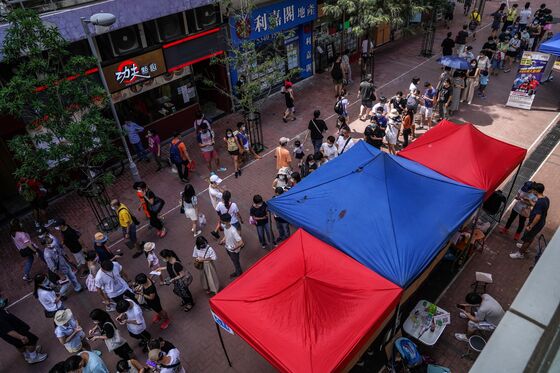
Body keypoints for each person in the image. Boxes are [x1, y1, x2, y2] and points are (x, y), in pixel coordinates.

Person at [511, 183, 549, 259]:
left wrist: (531, 226)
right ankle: (524, 247)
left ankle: (520, 253)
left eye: (533, 190)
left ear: (535, 191)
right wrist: (529, 200)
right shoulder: (545, 199)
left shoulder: (540, 202)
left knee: (528, 238)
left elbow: (538, 216)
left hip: (535, 224)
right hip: (540, 223)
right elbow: (536, 205)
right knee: (530, 237)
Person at [219, 213, 244, 278]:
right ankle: (238, 271)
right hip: (228, 247)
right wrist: (223, 239)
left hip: (233, 250)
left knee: (236, 263)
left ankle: (239, 275)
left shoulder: (233, 231)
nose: (221, 222)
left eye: (222, 221)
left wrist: (234, 248)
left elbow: (241, 242)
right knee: (234, 262)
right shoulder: (224, 226)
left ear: (227, 222)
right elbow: (226, 235)